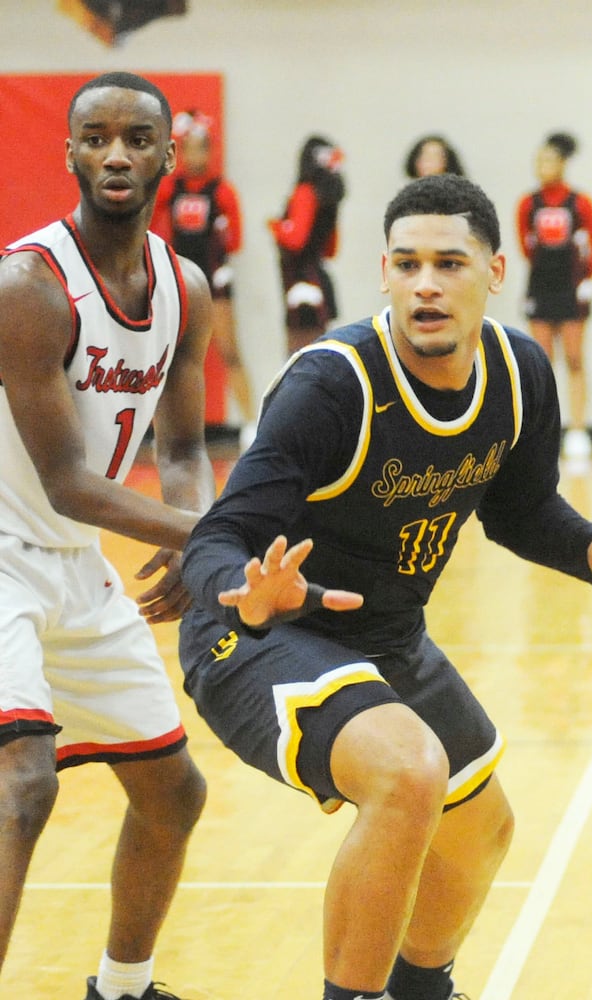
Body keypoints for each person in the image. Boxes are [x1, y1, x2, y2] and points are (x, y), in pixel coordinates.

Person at [178, 174, 592, 1000]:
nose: (426, 284)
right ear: (384, 273)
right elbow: (219, 533)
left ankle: (421, 991)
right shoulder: (333, 383)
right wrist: (246, 595)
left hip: (387, 638)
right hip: (261, 639)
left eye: (448, 263)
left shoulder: (518, 371)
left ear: (496, 272)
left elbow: (520, 510)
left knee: (481, 833)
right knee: (409, 773)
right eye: (406, 264)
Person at [0, 71, 214, 1000]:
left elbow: (185, 445)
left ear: (171, 153)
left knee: (174, 794)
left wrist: (188, 527)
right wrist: (214, 538)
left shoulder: (185, 287)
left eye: (136, 138)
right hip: (2, 553)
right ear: (71, 152)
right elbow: (67, 481)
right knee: (24, 787)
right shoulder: (28, 285)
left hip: (75, 567)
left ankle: (120, 990)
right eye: (95, 138)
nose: (115, 154)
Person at [152, 109, 256, 448]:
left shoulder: (221, 190)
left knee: (229, 350)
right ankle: (165, 426)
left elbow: (237, 239)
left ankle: (252, 422)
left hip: (215, 279)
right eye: (191, 147)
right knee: (172, 353)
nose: (198, 155)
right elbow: (151, 226)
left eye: (203, 147)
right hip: (181, 278)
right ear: (181, 150)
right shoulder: (171, 188)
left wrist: (224, 236)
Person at [516, 132, 592, 461]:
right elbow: (525, 246)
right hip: (541, 285)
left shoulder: (580, 203)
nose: (542, 167)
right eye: (537, 161)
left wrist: (587, 279)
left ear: (563, 164)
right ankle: (542, 431)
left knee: (575, 359)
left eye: (548, 160)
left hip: (571, 286)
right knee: (541, 361)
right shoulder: (528, 203)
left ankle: (578, 429)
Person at [270, 134, 346, 355]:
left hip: (300, 279)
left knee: (298, 353)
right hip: (318, 279)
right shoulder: (329, 199)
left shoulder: (305, 193)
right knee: (318, 352)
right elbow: (330, 249)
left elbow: (295, 240)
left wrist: (276, 226)